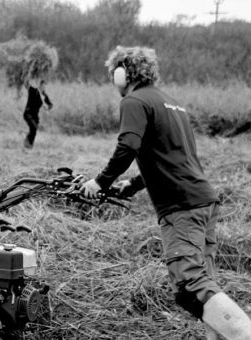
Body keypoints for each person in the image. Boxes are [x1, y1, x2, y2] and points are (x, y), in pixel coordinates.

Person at [80, 46, 251, 339]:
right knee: (204, 282)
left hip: (181, 207)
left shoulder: (134, 101)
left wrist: (101, 182)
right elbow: (170, 155)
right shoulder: (171, 103)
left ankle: (243, 333)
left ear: (122, 73)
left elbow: (128, 147)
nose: (113, 80)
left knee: (189, 282)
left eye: (113, 73)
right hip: (203, 201)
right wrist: (132, 185)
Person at [22, 78, 52, 149]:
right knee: (33, 127)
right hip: (28, 113)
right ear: (40, 85)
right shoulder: (33, 91)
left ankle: (29, 145)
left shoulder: (44, 96)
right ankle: (27, 141)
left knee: (34, 131)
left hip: (35, 116)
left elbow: (50, 105)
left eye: (45, 86)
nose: (44, 88)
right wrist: (28, 75)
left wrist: (47, 108)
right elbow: (26, 84)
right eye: (43, 86)